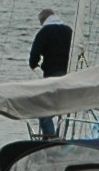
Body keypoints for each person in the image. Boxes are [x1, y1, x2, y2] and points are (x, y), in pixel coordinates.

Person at [27, 9, 72, 138]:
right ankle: (62, 135)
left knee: (44, 110)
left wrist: (34, 64)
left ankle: (50, 137)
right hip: (69, 75)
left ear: (43, 20)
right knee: (64, 109)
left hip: (52, 75)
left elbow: (34, 54)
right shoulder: (69, 31)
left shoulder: (44, 32)